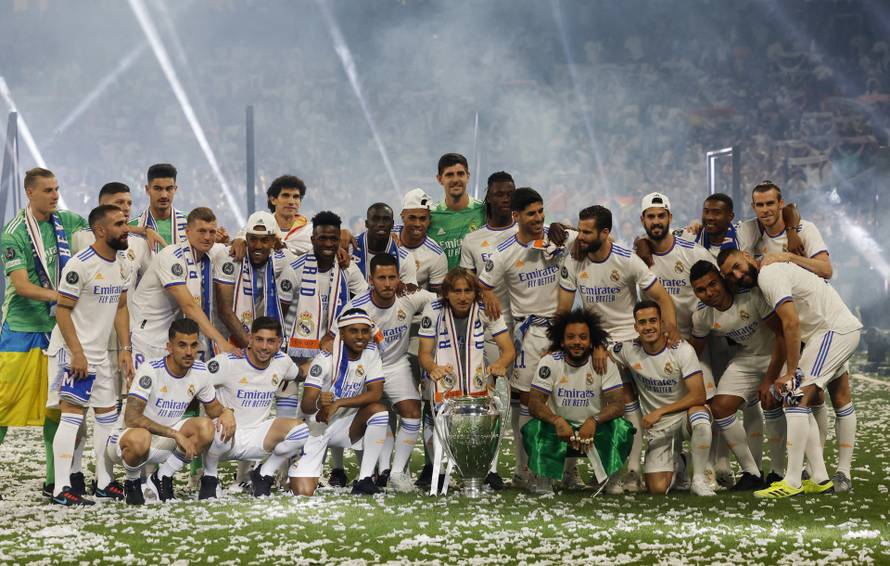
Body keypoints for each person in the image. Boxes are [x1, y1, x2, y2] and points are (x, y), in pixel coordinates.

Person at [717, 249, 861, 496]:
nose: (738, 275)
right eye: (730, 274)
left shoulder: (769, 275)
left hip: (832, 332)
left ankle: (793, 481)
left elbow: (791, 322)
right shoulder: (766, 279)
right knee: (800, 399)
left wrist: (792, 372)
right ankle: (819, 478)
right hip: (827, 333)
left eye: (738, 266)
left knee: (794, 395)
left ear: (748, 256)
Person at [556, 204, 678, 492]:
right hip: (595, 339)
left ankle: (633, 471)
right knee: (572, 393)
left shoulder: (627, 259)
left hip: (629, 338)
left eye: (587, 232)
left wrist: (670, 331)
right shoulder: (574, 259)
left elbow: (662, 297)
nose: (580, 237)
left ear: (605, 233)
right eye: (579, 231)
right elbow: (563, 311)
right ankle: (572, 471)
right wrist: (569, 345)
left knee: (625, 396)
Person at [478, 187, 576, 487]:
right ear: (515, 216)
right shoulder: (503, 251)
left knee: (567, 399)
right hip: (530, 333)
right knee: (526, 401)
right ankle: (524, 470)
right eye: (531, 213)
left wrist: (566, 227)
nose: (538, 218)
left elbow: (592, 236)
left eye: (541, 211)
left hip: (563, 331)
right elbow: (482, 283)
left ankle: (569, 472)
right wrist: (487, 294)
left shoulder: (557, 237)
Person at [0, 167, 89, 497]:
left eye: (56, 189)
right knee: (3, 407)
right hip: (21, 331)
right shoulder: (13, 233)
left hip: (56, 330)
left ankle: (55, 481)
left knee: (56, 408)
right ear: (30, 192)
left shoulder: (66, 221)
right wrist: (62, 296)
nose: (55, 195)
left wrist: (140, 230)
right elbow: (22, 286)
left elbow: (104, 227)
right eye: (48, 190)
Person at [45, 205, 134, 505]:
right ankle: (61, 488)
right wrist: (77, 353)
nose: (126, 228)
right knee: (72, 417)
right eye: (119, 224)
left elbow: (121, 307)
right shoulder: (79, 265)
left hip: (100, 354)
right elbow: (62, 311)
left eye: (125, 222)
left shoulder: (122, 263)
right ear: (100, 230)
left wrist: (125, 349)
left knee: (108, 416)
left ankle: (103, 482)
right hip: (73, 353)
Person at [106, 318, 235, 505]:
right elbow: (132, 418)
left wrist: (227, 412)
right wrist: (175, 434)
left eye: (193, 345)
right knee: (141, 437)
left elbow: (213, 409)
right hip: (127, 442)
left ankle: (162, 478)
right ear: (169, 347)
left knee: (206, 427)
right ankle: (132, 482)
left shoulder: (200, 371)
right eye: (182, 345)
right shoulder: (151, 370)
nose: (189, 352)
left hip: (166, 442)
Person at [337, 254, 435, 490]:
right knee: (370, 415)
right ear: (371, 280)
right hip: (366, 368)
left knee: (412, 411)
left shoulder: (409, 296)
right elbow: (335, 337)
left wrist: (485, 294)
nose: (388, 283)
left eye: (393, 277)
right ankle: (372, 471)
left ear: (399, 278)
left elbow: (444, 298)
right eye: (382, 278)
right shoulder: (357, 306)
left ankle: (397, 473)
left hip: (395, 365)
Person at [418, 267, 515, 490]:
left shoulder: (486, 308)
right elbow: (424, 353)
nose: (463, 297)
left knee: (489, 416)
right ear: (446, 293)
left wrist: (500, 364)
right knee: (433, 416)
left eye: (468, 291)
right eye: (457, 291)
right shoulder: (433, 310)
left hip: (476, 378)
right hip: (445, 377)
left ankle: (488, 470)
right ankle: (437, 471)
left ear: (475, 293)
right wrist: (432, 367)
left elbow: (508, 349)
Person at [610, 301, 715, 496]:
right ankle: (681, 463)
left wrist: (660, 411)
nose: (648, 327)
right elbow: (604, 355)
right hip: (658, 428)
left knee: (700, 417)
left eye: (653, 321)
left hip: (683, 418)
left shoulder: (682, 350)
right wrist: (600, 351)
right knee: (657, 489)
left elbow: (699, 395)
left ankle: (699, 480)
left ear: (662, 323)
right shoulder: (628, 350)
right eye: (642, 322)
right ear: (635, 327)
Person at [688, 261, 775, 490]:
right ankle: (752, 473)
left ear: (721, 278)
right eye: (701, 290)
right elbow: (693, 350)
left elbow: (783, 334)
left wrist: (770, 378)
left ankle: (783, 473)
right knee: (720, 407)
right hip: (747, 358)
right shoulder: (702, 316)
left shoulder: (751, 295)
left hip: (778, 354)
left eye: (712, 284)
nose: (709, 293)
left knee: (790, 405)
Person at [200, 317, 308, 499]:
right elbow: (196, 381)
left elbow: (301, 374)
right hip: (224, 438)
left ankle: (263, 474)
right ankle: (210, 477)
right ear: (250, 339)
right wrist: (222, 410)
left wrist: (323, 358)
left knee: (301, 431)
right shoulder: (228, 361)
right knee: (215, 426)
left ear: (279, 343)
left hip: (258, 438)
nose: (264, 347)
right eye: (259, 339)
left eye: (271, 341)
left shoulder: (282, 362)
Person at [289, 308, 389, 496]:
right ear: (341, 334)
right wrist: (319, 403)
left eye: (365, 331)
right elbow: (306, 405)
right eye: (353, 331)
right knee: (303, 491)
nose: (360, 336)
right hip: (315, 427)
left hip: (345, 425)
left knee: (379, 410)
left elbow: (376, 393)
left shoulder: (371, 353)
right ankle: (288, 466)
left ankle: (365, 480)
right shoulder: (324, 359)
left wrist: (338, 403)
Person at [526, 309, 626, 493]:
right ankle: (544, 477)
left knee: (621, 428)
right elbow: (534, 403)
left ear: (591, 341)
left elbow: (618, 404)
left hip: (593, 430)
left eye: (583, 337)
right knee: (534, 428)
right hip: (560, 430)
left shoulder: (604, 362)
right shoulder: (550, 361)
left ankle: (610, 477)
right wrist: (557, 420)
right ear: (562, 341)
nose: (577, 342)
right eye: (571, 337)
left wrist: (593, 420)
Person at [129, 207, 239, 369]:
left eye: (212, 232)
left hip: (177, 344)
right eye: (201, 231)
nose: (207, 237)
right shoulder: (171, 256)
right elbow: (189, 306)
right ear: (187, 232)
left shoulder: (212, 252)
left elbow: (236, 247)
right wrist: (221, 342)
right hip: (148, 340)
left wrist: (239, 240)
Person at [215, 211, 297, 348]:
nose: (258, 246)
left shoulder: (283, 259)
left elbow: (308, 261)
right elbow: (225, 310)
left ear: (273, 241)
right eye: (253, 239)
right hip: (226, 339)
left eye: (264, 240)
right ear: (246, 238)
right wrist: (251, 348)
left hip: (259, 341)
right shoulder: (230, 256)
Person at [736, 181, 832, 279]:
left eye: (770, 203)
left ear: (781, 204)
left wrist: (788, 257)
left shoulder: (804, 229)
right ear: (753, 207)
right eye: (760, 205)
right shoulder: (750, 232)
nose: (765, 210)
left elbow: (826, 270)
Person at [429, 153, 486, 270]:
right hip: (440, 281)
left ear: (468, 176)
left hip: (478, 281)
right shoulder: (430, 216)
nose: (455, 180)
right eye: (449, 175)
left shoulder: (484, 210)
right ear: (439, 179)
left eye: (460, 174)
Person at [351, 203, 417, 285]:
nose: (381, 224)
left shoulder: (405, 258)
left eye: (386, 219)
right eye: (375, 219)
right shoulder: (349, 247)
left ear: (392, 224)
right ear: (366, 223)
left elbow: (410, 291)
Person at [396, 189, 448, 292]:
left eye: (423, 219)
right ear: (402, 216)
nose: (417, 224)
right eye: (412, 218)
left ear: (429, 220)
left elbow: (437, 297)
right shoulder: (387, 235)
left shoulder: (436, 256)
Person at [129, 163, 188, 251]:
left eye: (169, 189)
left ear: (175, 189)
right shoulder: (132, 228)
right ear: (147, 189)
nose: (164, 195)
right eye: (157, 188)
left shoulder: (191, 223)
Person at [265, 175, 312, 256]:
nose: (291, 202)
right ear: (273, 200)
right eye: (286, 196)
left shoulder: (311, 231)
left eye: (296, 197)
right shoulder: (260, 226)